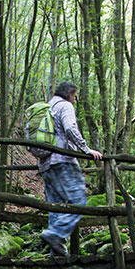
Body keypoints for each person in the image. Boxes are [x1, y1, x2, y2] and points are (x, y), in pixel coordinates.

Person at [38, 81, 103, 256]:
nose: (74, 100)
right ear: (69, 93)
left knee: (56, 206)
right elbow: (70, 128)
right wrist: (86, 149)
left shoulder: (48, 107)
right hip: (63, 160)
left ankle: (56, 253)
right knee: (78, 201)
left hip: (45, 163)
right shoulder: (65, 106)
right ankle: (56, 235)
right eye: (74, 96)